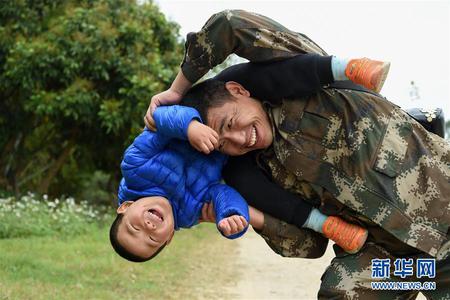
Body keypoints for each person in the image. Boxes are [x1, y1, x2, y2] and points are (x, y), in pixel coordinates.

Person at [146, 10, 450, 299]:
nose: (239, 139)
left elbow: (229, 24)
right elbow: (309, 244)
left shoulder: (303, 80)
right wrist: (242, 214)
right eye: (223, 143)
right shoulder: (257, 177)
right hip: (402, 266)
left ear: (238, 90)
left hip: (443, 202)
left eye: (229, 123)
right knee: (344, 290)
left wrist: (176, 89)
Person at [110, 101, 369, 263]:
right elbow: (220, 191)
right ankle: (323, 222)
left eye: (135, 229)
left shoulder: (135, 167)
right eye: (153, 240)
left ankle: (338, 73)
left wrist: (190, 127)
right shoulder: (188, 214)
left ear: (125, 207)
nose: (148, 229)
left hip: (206, 114)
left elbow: (159, 121)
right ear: (168, 239)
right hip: (231, 153)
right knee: (249, 187)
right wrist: (230, 215)